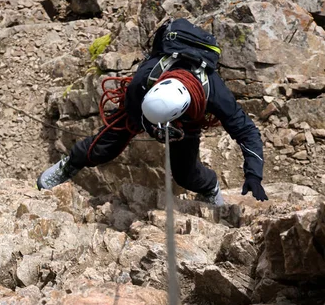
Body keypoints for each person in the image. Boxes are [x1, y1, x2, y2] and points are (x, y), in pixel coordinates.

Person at [37, 19, 267, 206]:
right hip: (144, 108)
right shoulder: (145, 79)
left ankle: (209, 187)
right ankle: (70, 164)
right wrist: (150, 126)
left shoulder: (215, 93)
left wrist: (254, 174)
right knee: (105, 146)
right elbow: (132, 108)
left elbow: (247, 132)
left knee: (185, 175)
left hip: (187, 121)